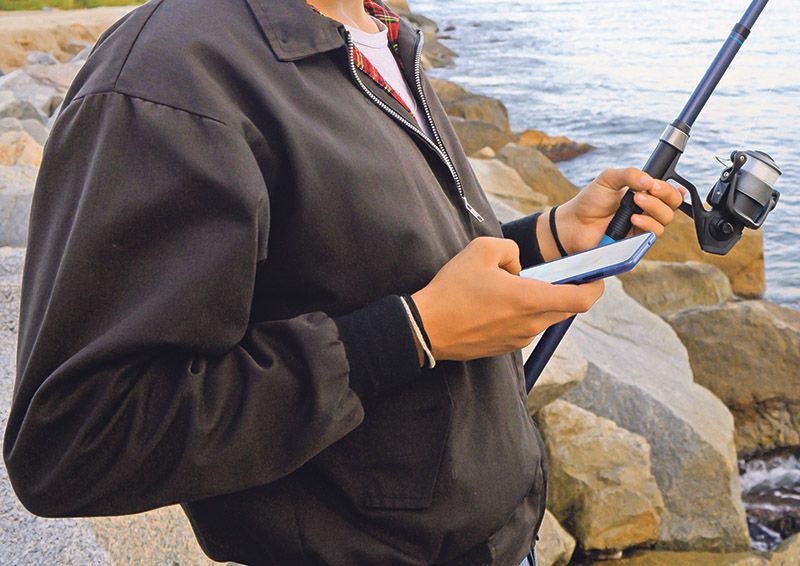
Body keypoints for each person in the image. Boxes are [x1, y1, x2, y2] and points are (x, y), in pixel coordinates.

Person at [3, 0, 684, 564]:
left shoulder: (372, 30)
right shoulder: (168, 78)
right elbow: (75, 441)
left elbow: (378, 270)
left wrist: (551, 237)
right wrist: (410, 336)